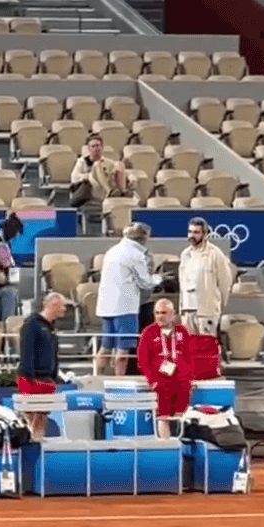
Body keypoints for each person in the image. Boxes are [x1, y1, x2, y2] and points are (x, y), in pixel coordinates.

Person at [93, 223, 161, 377]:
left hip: (107, 307)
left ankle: (96, 378)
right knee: (123, 352)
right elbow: (145, 282)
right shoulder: (135, 255)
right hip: (125, 308)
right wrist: (159, 279)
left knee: (105, 347)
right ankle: (119, 382)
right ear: (142, 238)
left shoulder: (112, 251)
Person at [18, 292, 68, 440]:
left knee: (42, 417)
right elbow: (27, 351)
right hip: (33, 379)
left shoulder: (51, 328)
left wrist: (53, 377)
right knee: (32, 417)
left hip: (47, 379)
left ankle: (39, 443)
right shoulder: (32, 324)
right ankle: (30, 445)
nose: (64, 309)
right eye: (62, 305)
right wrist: (30, 377)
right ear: (52, 305)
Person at [138, 298, 193, 423]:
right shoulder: (149, 333)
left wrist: (188, 377)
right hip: (161, 382)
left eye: (164, 313)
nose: (160, 316)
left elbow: (189, 356)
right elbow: (143, 360)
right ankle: (165, 442)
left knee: (180, 417)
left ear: (173, 314)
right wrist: (153, 381)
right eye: (157, 313)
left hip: (181, 382)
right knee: (164, 418)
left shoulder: (182, 332)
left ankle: (179, 440)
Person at [178, 218, 234, 336]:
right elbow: (182, 284)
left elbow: (225, 283)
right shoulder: (185, 255)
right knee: (189, 348)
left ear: (205, 235)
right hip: (188, 309)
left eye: (196, 232)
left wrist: (217, 306)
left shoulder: (215, 254)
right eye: (190, 232)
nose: (192, 235)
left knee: (206, 348)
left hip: (207, 310)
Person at [69, 136, 130, 236]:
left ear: (102, 148)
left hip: (106, 188)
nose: (96, 148)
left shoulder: (107, 162)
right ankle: (110, 192)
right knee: (97, 166)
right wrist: (90, 175)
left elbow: (118, 173)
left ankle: (121, 191)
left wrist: (131, 178)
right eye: (93, 146)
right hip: (93, 189)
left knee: (120, 164)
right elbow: (74, 178)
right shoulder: (82, 161)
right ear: (89, 149)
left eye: (98, 146)